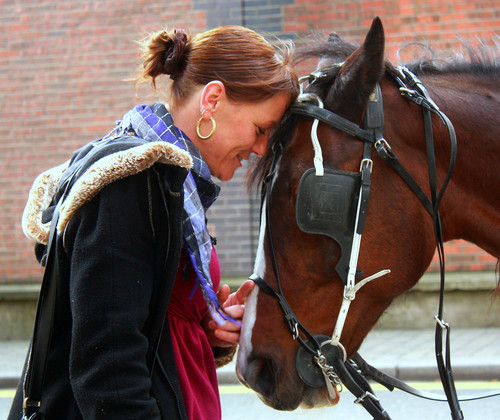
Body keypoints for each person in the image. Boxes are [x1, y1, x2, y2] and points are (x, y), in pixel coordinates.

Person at [8, 25, 298, 420]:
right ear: (212, 99)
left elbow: (146, 329)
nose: (262, 149)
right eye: (261, 129)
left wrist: (207, 331)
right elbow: (108, 371)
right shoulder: (132, 183)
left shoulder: (174, 187)